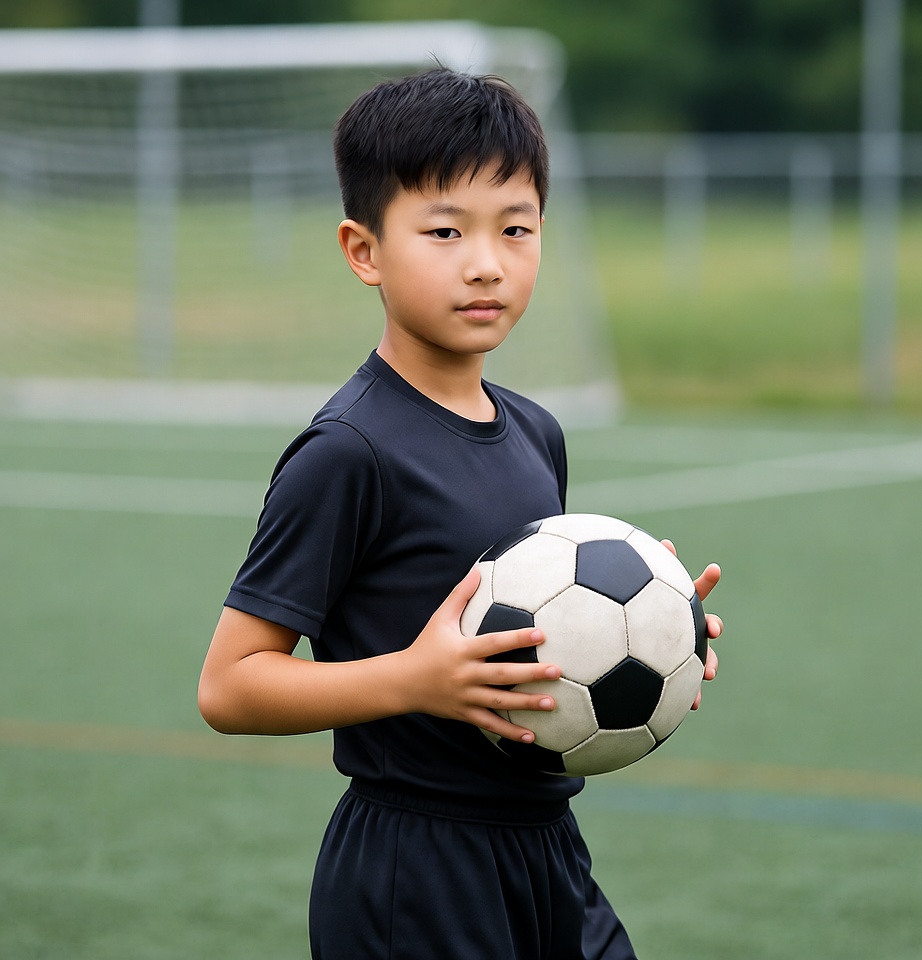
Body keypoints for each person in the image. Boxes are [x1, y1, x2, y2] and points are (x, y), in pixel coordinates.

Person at [198, 67, 722, 960]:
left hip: (548, 850)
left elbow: (539, 630)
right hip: (415, 866)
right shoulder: (347, 452)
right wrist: (415, 679)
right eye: (445, 231)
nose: (487, 262)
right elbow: (230, 685)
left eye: (516, 229)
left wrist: (660, 634)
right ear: (364, 251)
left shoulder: (538, 432)